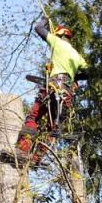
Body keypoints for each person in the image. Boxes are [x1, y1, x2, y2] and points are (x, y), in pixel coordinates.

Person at [12, 20, 88, 167]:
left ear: (58, 35)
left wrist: (45, 21)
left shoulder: (57, 42)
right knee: (53, 128)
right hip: (66, 92)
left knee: (34, 116)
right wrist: (73, 78)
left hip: (52, 86)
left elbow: (38, 28)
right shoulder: (77, 55)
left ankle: (22, 151)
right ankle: (36, 158)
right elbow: (88, 73)